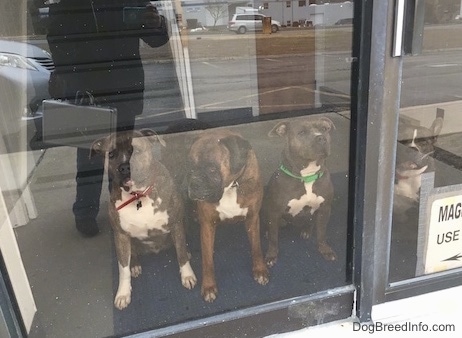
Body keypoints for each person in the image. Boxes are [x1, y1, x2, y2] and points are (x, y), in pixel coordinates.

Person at [47, 0, 169, 236]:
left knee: (123, 156)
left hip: (125, 89)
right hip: (87, 93)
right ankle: (85, 212)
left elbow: (157, 40)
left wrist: (157, 23)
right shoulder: (67, 5)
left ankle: (121, 206)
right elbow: (59, 48)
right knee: (90, 157)